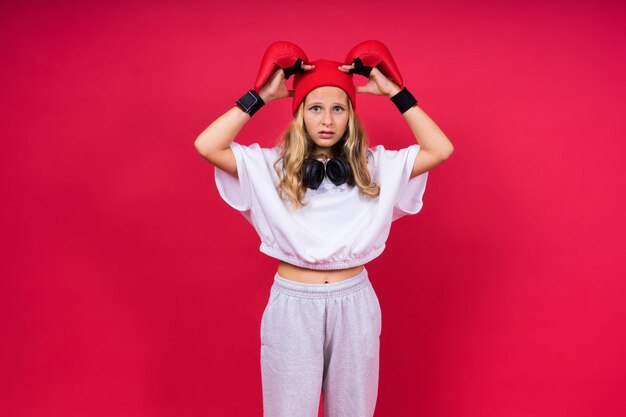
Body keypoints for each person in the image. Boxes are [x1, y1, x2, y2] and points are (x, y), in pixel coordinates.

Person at [194, 40, 454, 417]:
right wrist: (260, 96)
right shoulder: (271, 168)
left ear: (351, 114)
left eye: (338, 109)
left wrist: (395, 92)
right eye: (315, 108)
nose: (327, 121)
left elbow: (439, 149)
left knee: (354, 411)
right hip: (293, 305)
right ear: (300, 114)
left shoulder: (375, 167)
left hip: (355, 302)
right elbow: (207, 144)